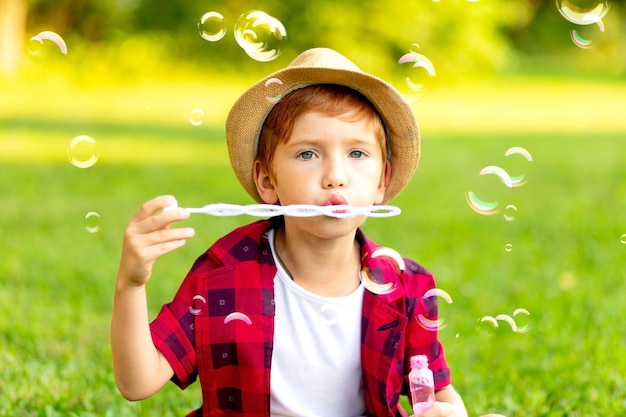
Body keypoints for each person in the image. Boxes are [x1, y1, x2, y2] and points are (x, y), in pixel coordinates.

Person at [111, 47, 471, 417]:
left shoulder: (407, 286)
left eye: (357, 154)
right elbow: (138, 383)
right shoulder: (224, 275)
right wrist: (131, 284)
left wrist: (446, 411)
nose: (336, 177)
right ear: (268, 181)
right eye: (308, 154)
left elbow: (439, 394)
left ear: (382, 181)